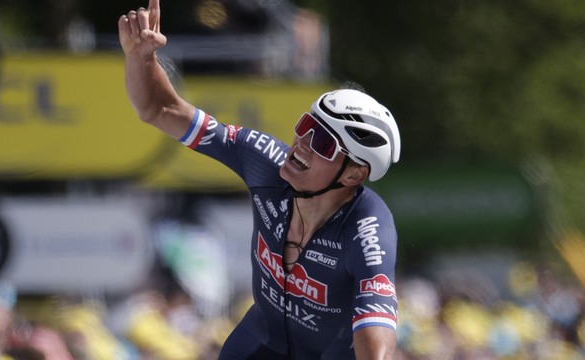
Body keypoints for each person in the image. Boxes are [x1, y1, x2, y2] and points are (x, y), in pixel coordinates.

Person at [118, 1, 401, 359]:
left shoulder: (368, 227)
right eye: (306, 126)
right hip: (260, 342)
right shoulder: (264, 159)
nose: (303, 144)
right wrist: (141, 58)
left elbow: (375, 344)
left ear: (354, 173)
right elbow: (158, 110)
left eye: (324, 143)